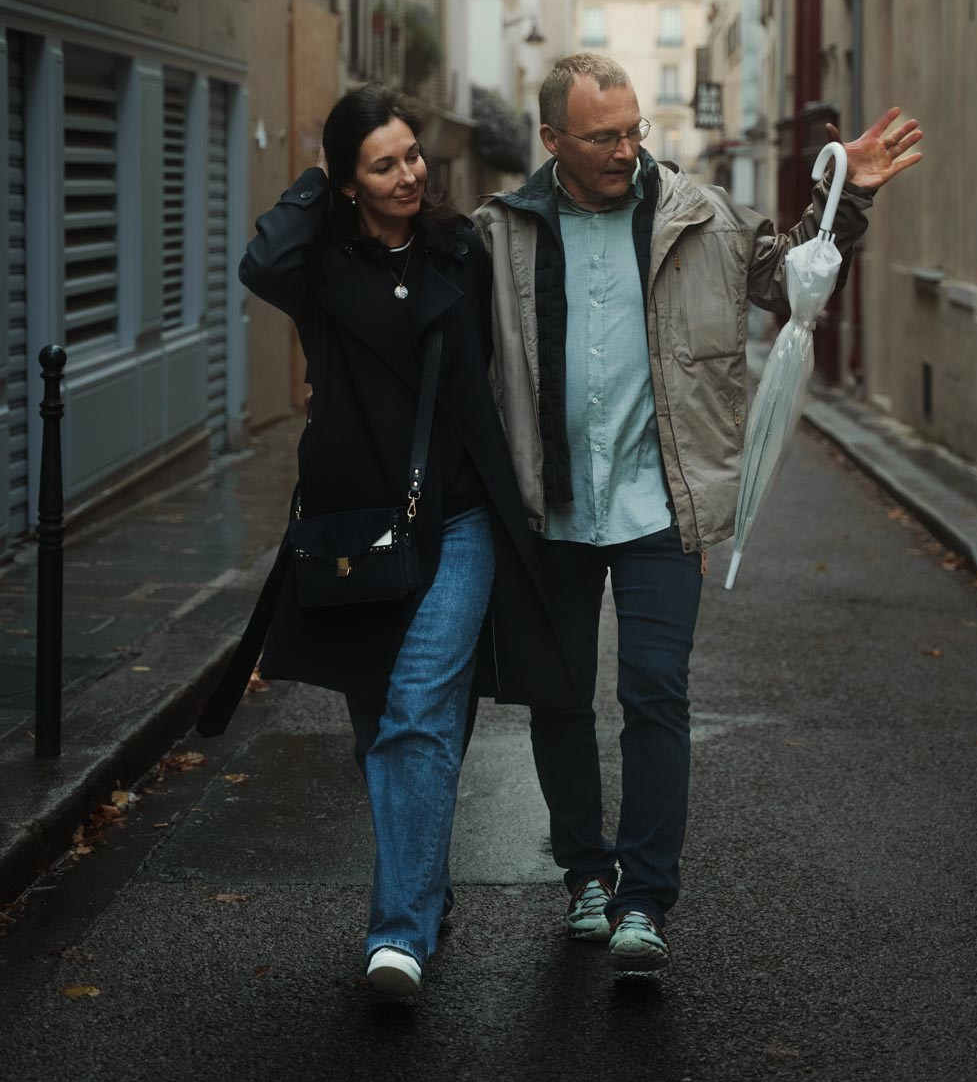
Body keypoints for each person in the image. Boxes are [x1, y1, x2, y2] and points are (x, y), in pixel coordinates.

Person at [473, 52, 922, 973]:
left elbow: (789, 275)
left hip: (657, 504)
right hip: (547, 504)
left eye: (634, 129)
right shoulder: (499, 234)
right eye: (603, 136)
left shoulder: (698, 213)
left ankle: (644, 898)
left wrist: (852, 198)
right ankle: (584, 877)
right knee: (557, 700)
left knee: (655, 691)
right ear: (551, 139)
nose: (626, 149)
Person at [197, 84, 573, 1001]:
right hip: (356, 533)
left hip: (458, 515)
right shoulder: (318, 263)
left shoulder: (460, 248)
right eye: (383, 163)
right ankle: (426, 886)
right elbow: (261, 262)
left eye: (412, 156)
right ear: (347, 182)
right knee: (382, 721)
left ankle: (397, 935)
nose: (408, 175)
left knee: (413, 707)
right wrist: (315, 183)